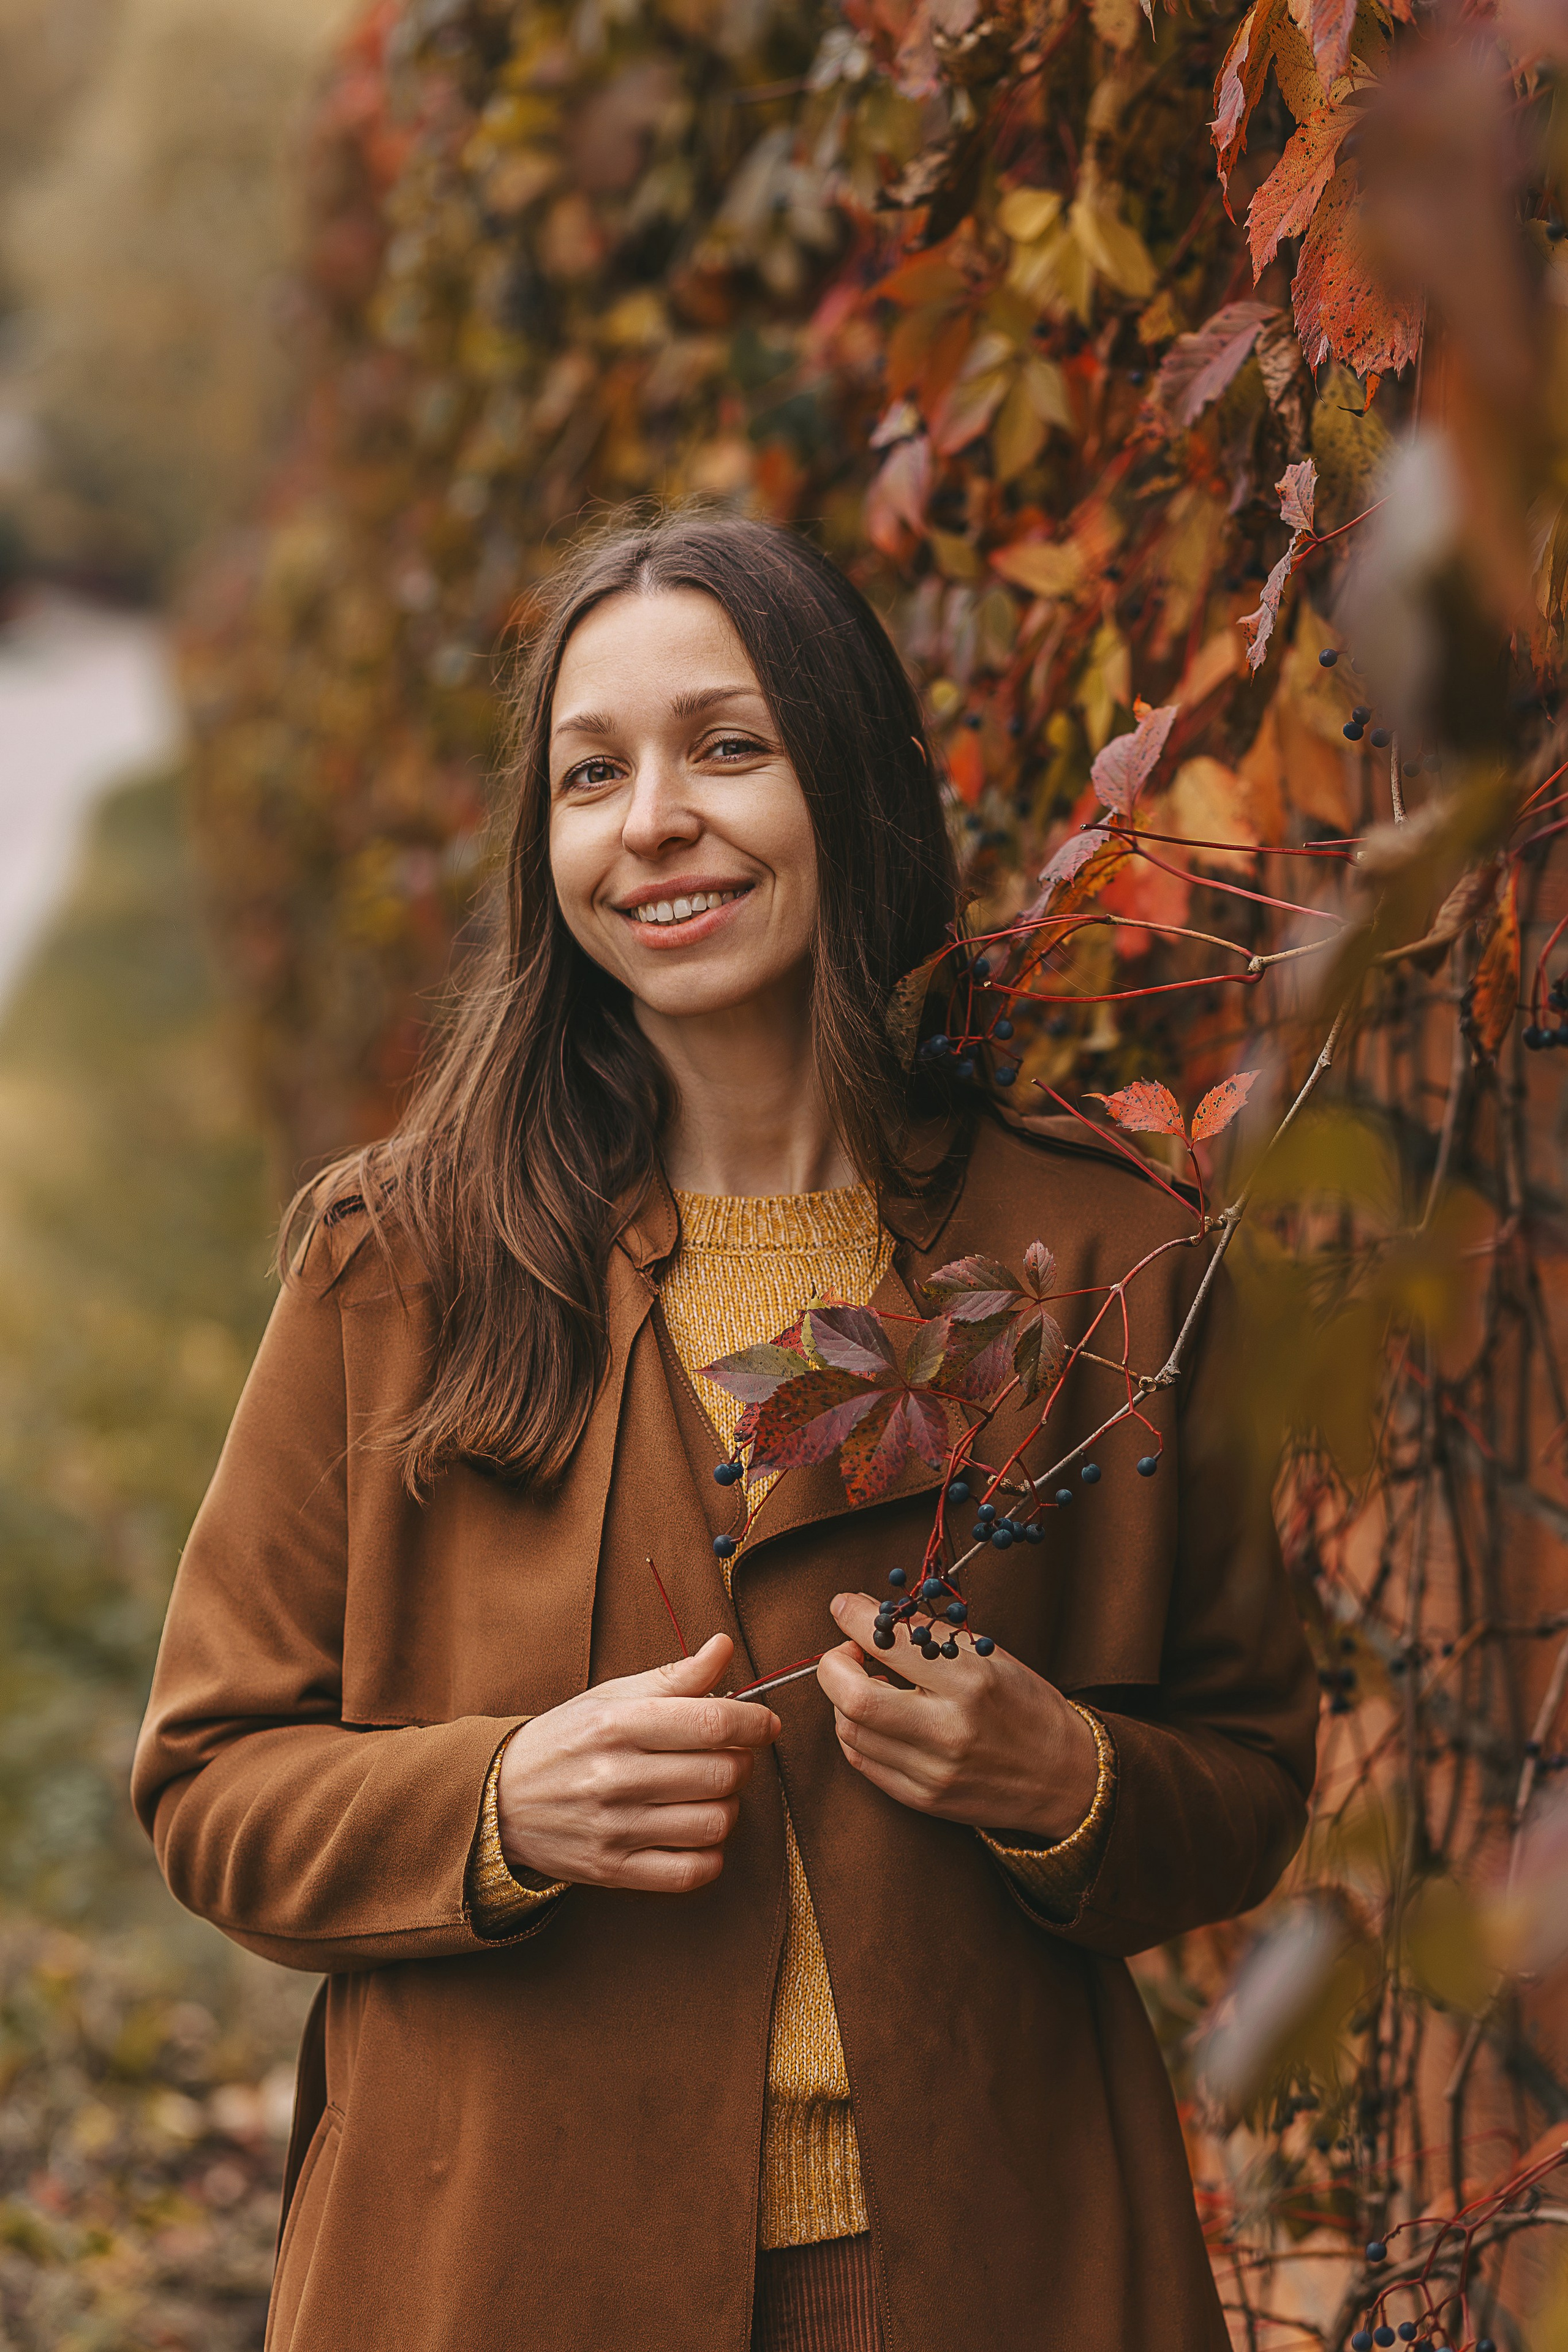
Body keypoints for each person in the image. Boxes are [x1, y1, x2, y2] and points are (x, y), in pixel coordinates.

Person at [132, 509, 1317, 2352]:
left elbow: (1248, 1772)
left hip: (992, 2271)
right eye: (590, 773)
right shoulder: (401, 1262)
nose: (653, 819)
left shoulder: (1106, 1259)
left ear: (850, 782)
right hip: (492, 2271)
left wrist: (1066, 1780)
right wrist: (499, 1805)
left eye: (728, 747)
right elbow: (209, 1786)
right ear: (549, 850)